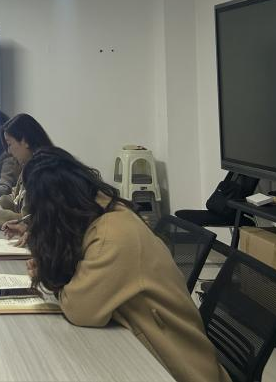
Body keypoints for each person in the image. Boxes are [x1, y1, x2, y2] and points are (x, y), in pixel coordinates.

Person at [22, 147, 231, 382]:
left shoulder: (112, 235)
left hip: (181, 370)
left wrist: (50, 278)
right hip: (153, 352)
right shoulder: (102, 212)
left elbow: (80, 309)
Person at [0, 113, 54, 229]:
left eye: (9, 144)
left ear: (25, 141)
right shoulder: (30, 165)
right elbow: (15, 197)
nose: (9, 151)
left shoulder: (44, 172)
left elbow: (28, 219)